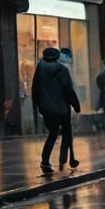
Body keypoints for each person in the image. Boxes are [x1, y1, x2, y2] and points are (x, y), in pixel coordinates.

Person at [32, 46, 81, 174]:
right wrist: (76, 105)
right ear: (57, 57)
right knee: (67, 133)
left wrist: (39, 106)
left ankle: (45, 161)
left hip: (47, 108)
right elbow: (68, 90)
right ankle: (68, 159)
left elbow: (35, 89)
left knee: (52, 134)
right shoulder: (63, 70)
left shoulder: (40, 69)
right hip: (63, 108)